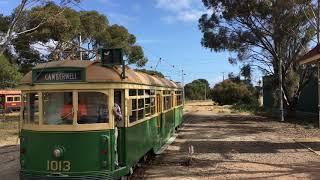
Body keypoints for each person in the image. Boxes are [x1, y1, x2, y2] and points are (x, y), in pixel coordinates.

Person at [113, 101, 122, 167]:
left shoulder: (116, 106)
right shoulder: (101, 105)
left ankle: (115, 163)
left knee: (114, 147)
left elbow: (120, 118)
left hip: (114, 129)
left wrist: (115, 112)